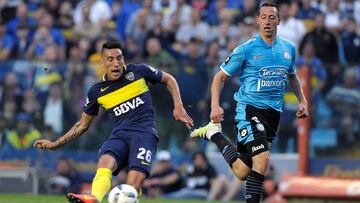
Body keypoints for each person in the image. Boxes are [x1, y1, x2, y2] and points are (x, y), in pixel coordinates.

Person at [34, 40, 193, 203]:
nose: (116, 63)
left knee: (133, 185)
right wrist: (55, 144)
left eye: (119, 58)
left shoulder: (138, 71)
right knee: (104, 162)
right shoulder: (96, 91)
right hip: (120, 135)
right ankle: (93, 198)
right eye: (110, 59)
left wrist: (178, 106)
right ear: (102, 62)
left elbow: (169, 79)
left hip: (144, 134)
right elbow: (82, 125)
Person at [190, 2, 308, 203]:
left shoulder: (288, 48)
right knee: (262, 158)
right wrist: (214, 105)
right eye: (264, 17)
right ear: (258, 20)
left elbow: (292, 76)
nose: (268, 21)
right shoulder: (246, 49)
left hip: (273, 114)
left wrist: (302, 100)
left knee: (242, 171)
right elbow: (219, 77)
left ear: (279, 21)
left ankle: (214, 134)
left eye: (272, 17)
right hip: (249, 110)